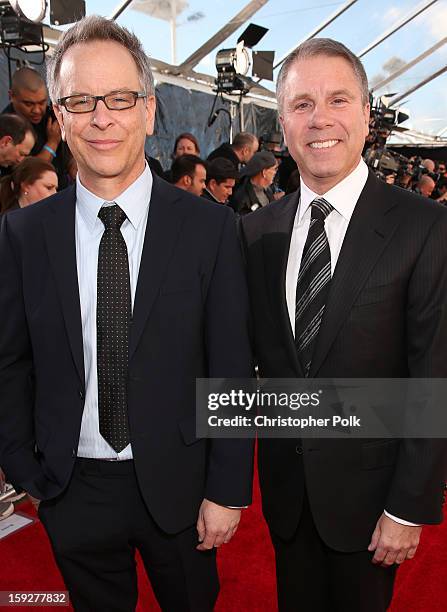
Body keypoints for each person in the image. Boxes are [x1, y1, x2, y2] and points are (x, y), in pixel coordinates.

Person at [0, 15, 253, 612]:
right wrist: (24, 466)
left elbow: (231, 366)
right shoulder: (22, 234)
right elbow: (11, 361)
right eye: (82, 100)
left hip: (183, 486)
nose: (102, 118)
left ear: (148, 108)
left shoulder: (209, 228)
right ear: (60, 116)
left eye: (119, 98)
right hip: (71, 488)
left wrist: (227, 488)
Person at [240, 38, 447, 612]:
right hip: (286, 495)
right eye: (302, 104)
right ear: (282, 122)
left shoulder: (424, 227)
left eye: (337, 99)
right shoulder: (257, 233)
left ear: (366, 113)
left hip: (374, 500)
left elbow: (433, 375)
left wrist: (410, 505)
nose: (320, 118)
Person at [2, 67, 69, 187]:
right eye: (29, 104)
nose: (37, 110)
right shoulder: (6, 126)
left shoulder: (51, 115)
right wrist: (52, 144)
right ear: (11, 96)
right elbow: (26, 173)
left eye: (42, 102)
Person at [230, 150, 278, 215]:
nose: (275, 172)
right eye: (274, 169)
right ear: (264, 172)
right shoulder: (242, 198)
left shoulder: (267, 189)